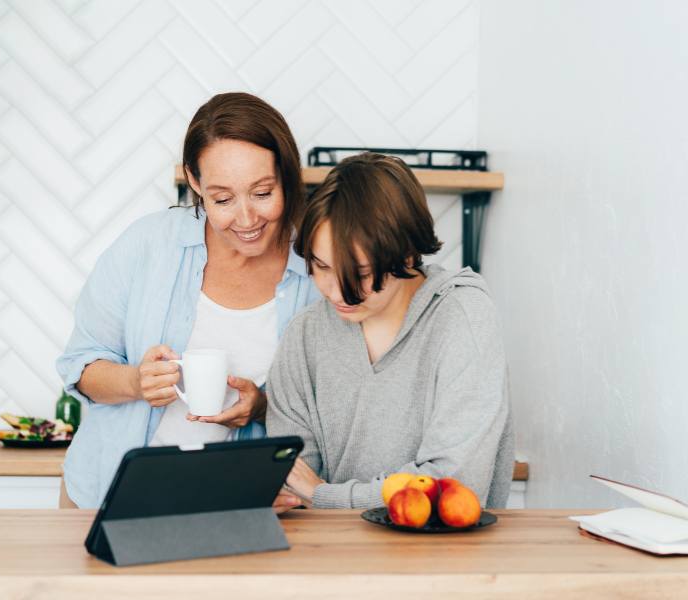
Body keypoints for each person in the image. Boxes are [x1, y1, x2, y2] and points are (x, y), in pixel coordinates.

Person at [56, 92, 319, 508]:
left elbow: (329, 398)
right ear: (195, 183)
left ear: (287, 176)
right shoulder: (149, 245)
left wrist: (261, 404)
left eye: (263, 193)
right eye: (223, 199)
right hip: (109, 496)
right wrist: (135, 381)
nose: (247, 219)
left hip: (236, 503)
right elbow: (80, 366)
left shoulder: (316, 266)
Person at [267, 152, 514, 512]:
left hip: (442, 559)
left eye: (361, 274)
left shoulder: (462, 316)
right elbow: (293, 482)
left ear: (408, 255)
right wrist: (310, 493)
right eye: (321, 267)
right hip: (328, 559)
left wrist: (325, 495)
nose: (336, 293)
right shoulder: (306, 334)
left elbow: (453, 486)